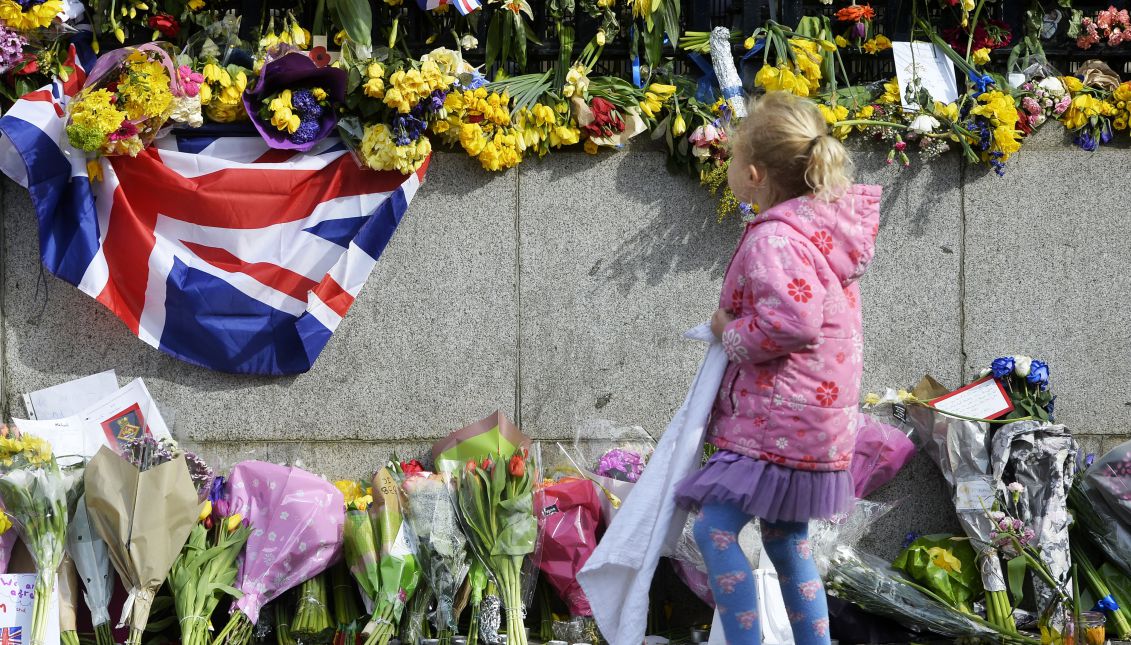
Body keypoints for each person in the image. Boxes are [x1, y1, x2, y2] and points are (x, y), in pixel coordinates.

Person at [674, 91, 882, 645]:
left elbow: (792, 322)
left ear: (754, 173)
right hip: (814, 423)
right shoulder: (821, 229)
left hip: (778, 419)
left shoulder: (774, 237)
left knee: (716, 530)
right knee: (787, 541)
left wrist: (728, 332)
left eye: (731, 164)